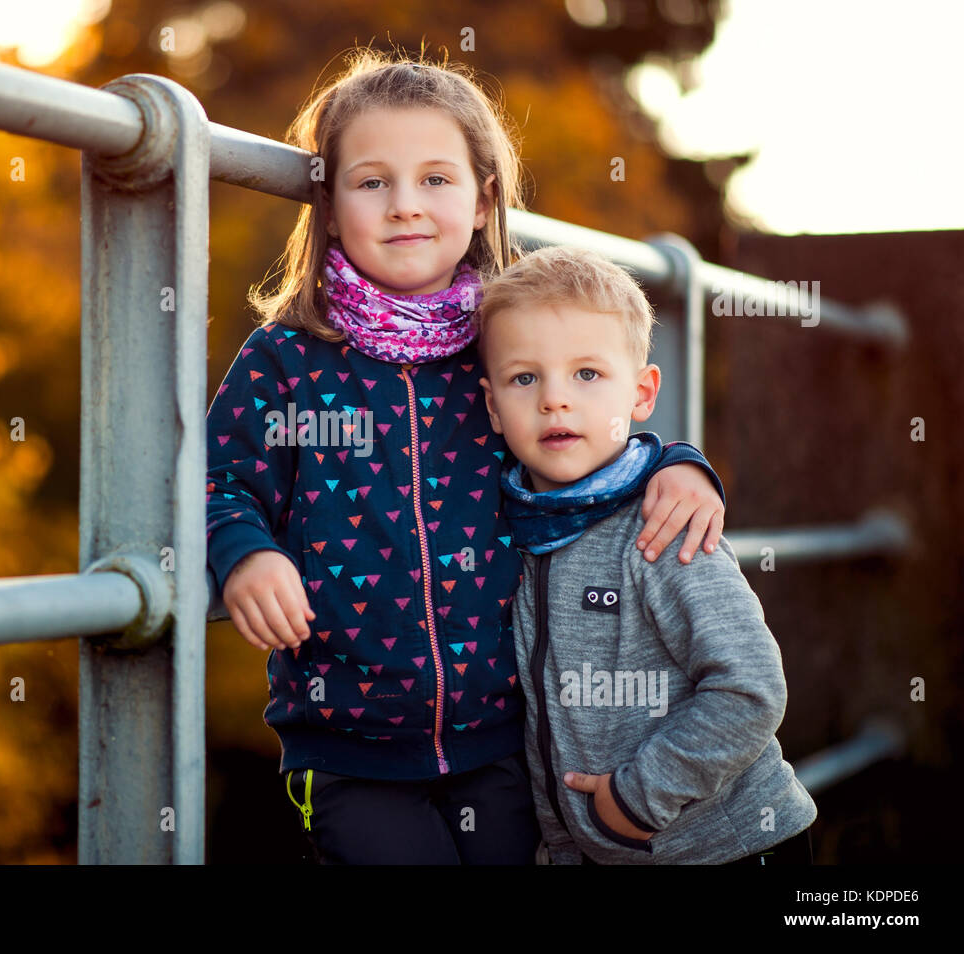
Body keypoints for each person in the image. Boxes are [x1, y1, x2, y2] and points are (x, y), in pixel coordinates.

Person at [206, 51, 728, 865]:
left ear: (485, 198)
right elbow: (220, 479)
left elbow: (593, 433)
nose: (405, 205)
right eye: (372, 182)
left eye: (436, 180)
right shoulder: (288, 360)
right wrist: (245, 554)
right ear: (330, 205)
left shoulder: (508, 347)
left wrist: (678, 463)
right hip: (346, 745)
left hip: (506, 740)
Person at [476, 244, 817, 864]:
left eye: (587, 374)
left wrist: (636, 799)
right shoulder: (512, 527)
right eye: (525, 378)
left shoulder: (663, 528)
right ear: (494, 407)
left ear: (641, 393)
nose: (555, 399)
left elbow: (751, 688)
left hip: (729, 848)